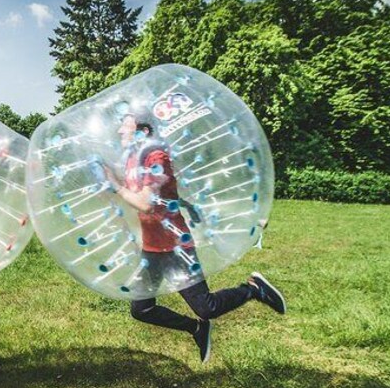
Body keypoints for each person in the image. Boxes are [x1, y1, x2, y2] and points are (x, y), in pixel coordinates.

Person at [105, 103, 286, 363]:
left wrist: (115, 186)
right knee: (142, 309)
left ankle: (253, 289)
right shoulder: (134, 157)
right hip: (152, 247)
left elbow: (146, 202)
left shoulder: (156, 157)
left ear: (142, 130)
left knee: (206, 307)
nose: (120, 128)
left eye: (126, 123)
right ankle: (197, 329)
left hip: (175, 246)